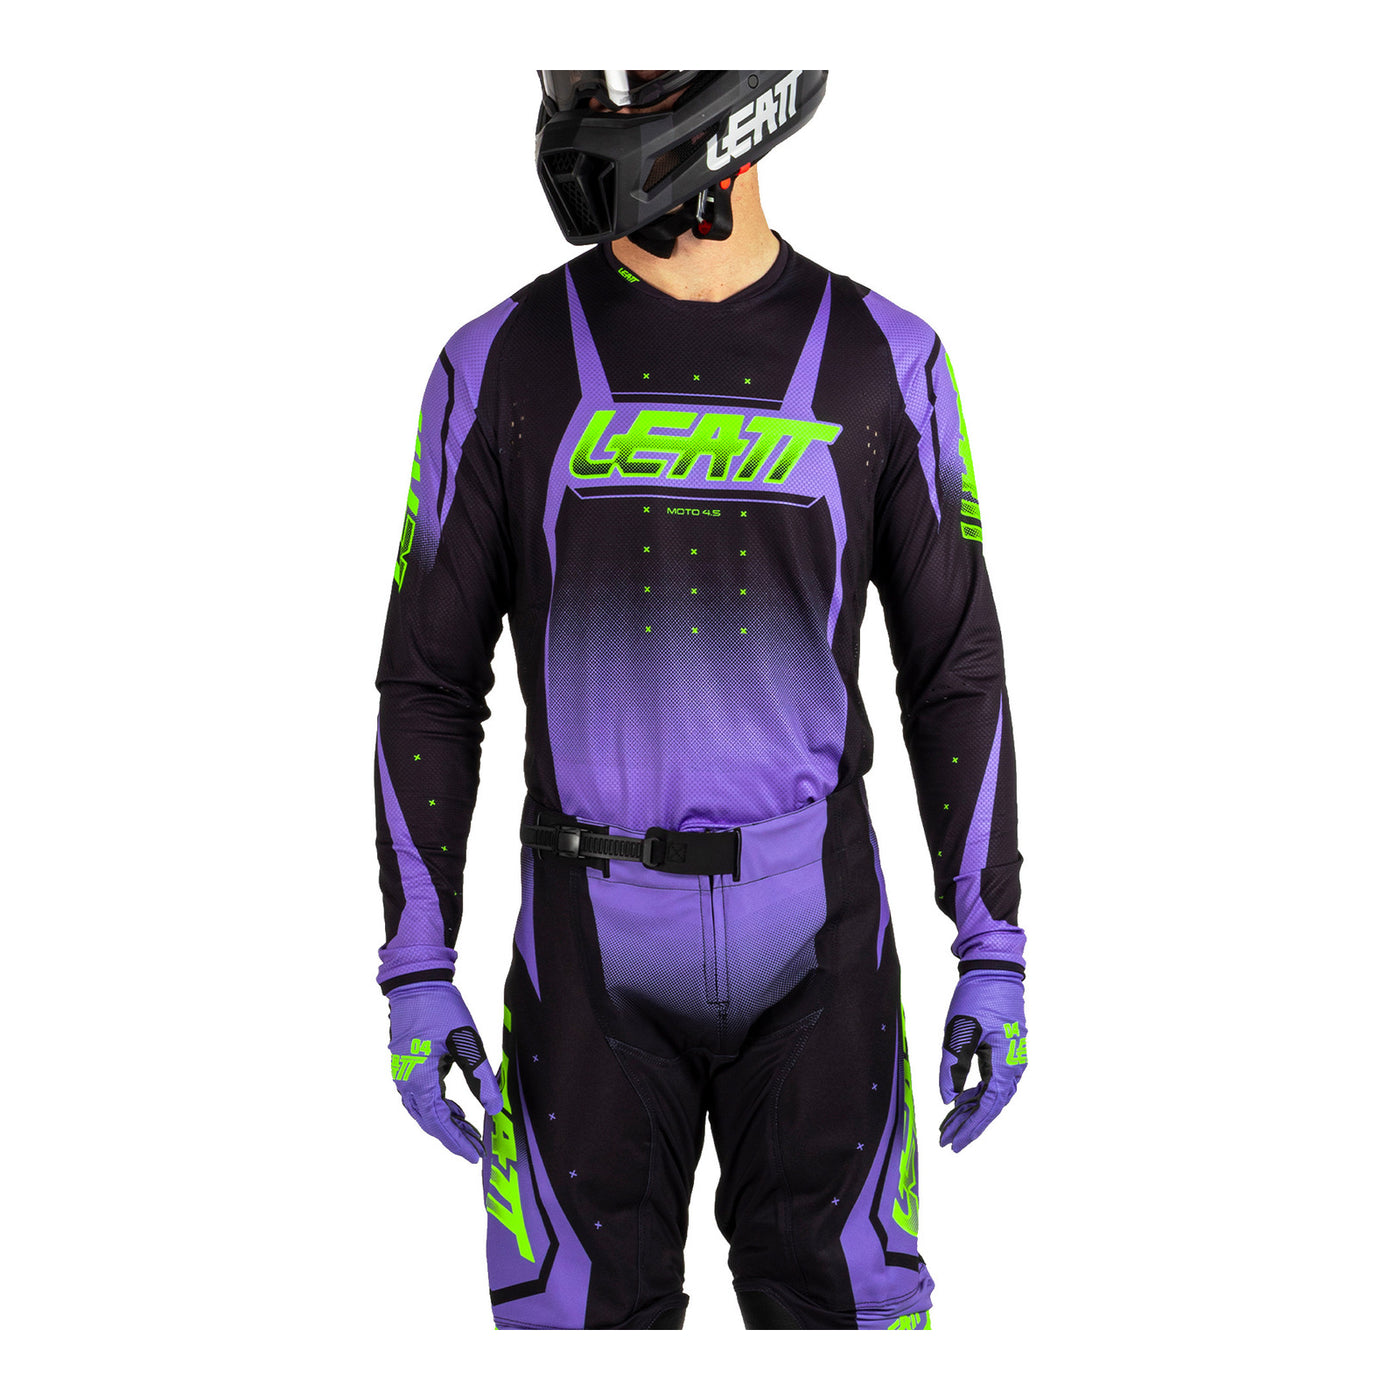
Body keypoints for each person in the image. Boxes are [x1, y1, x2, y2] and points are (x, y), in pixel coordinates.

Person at [373, 69, 1028, 1331]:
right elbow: (429, 680)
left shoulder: (888, 358)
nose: (586, 96)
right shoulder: (492, 362)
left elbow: (955, 666)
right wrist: (415, 961)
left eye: (621, 75)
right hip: (585, 949)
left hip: (817, 939)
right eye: (577, 73)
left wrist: (989, 944)